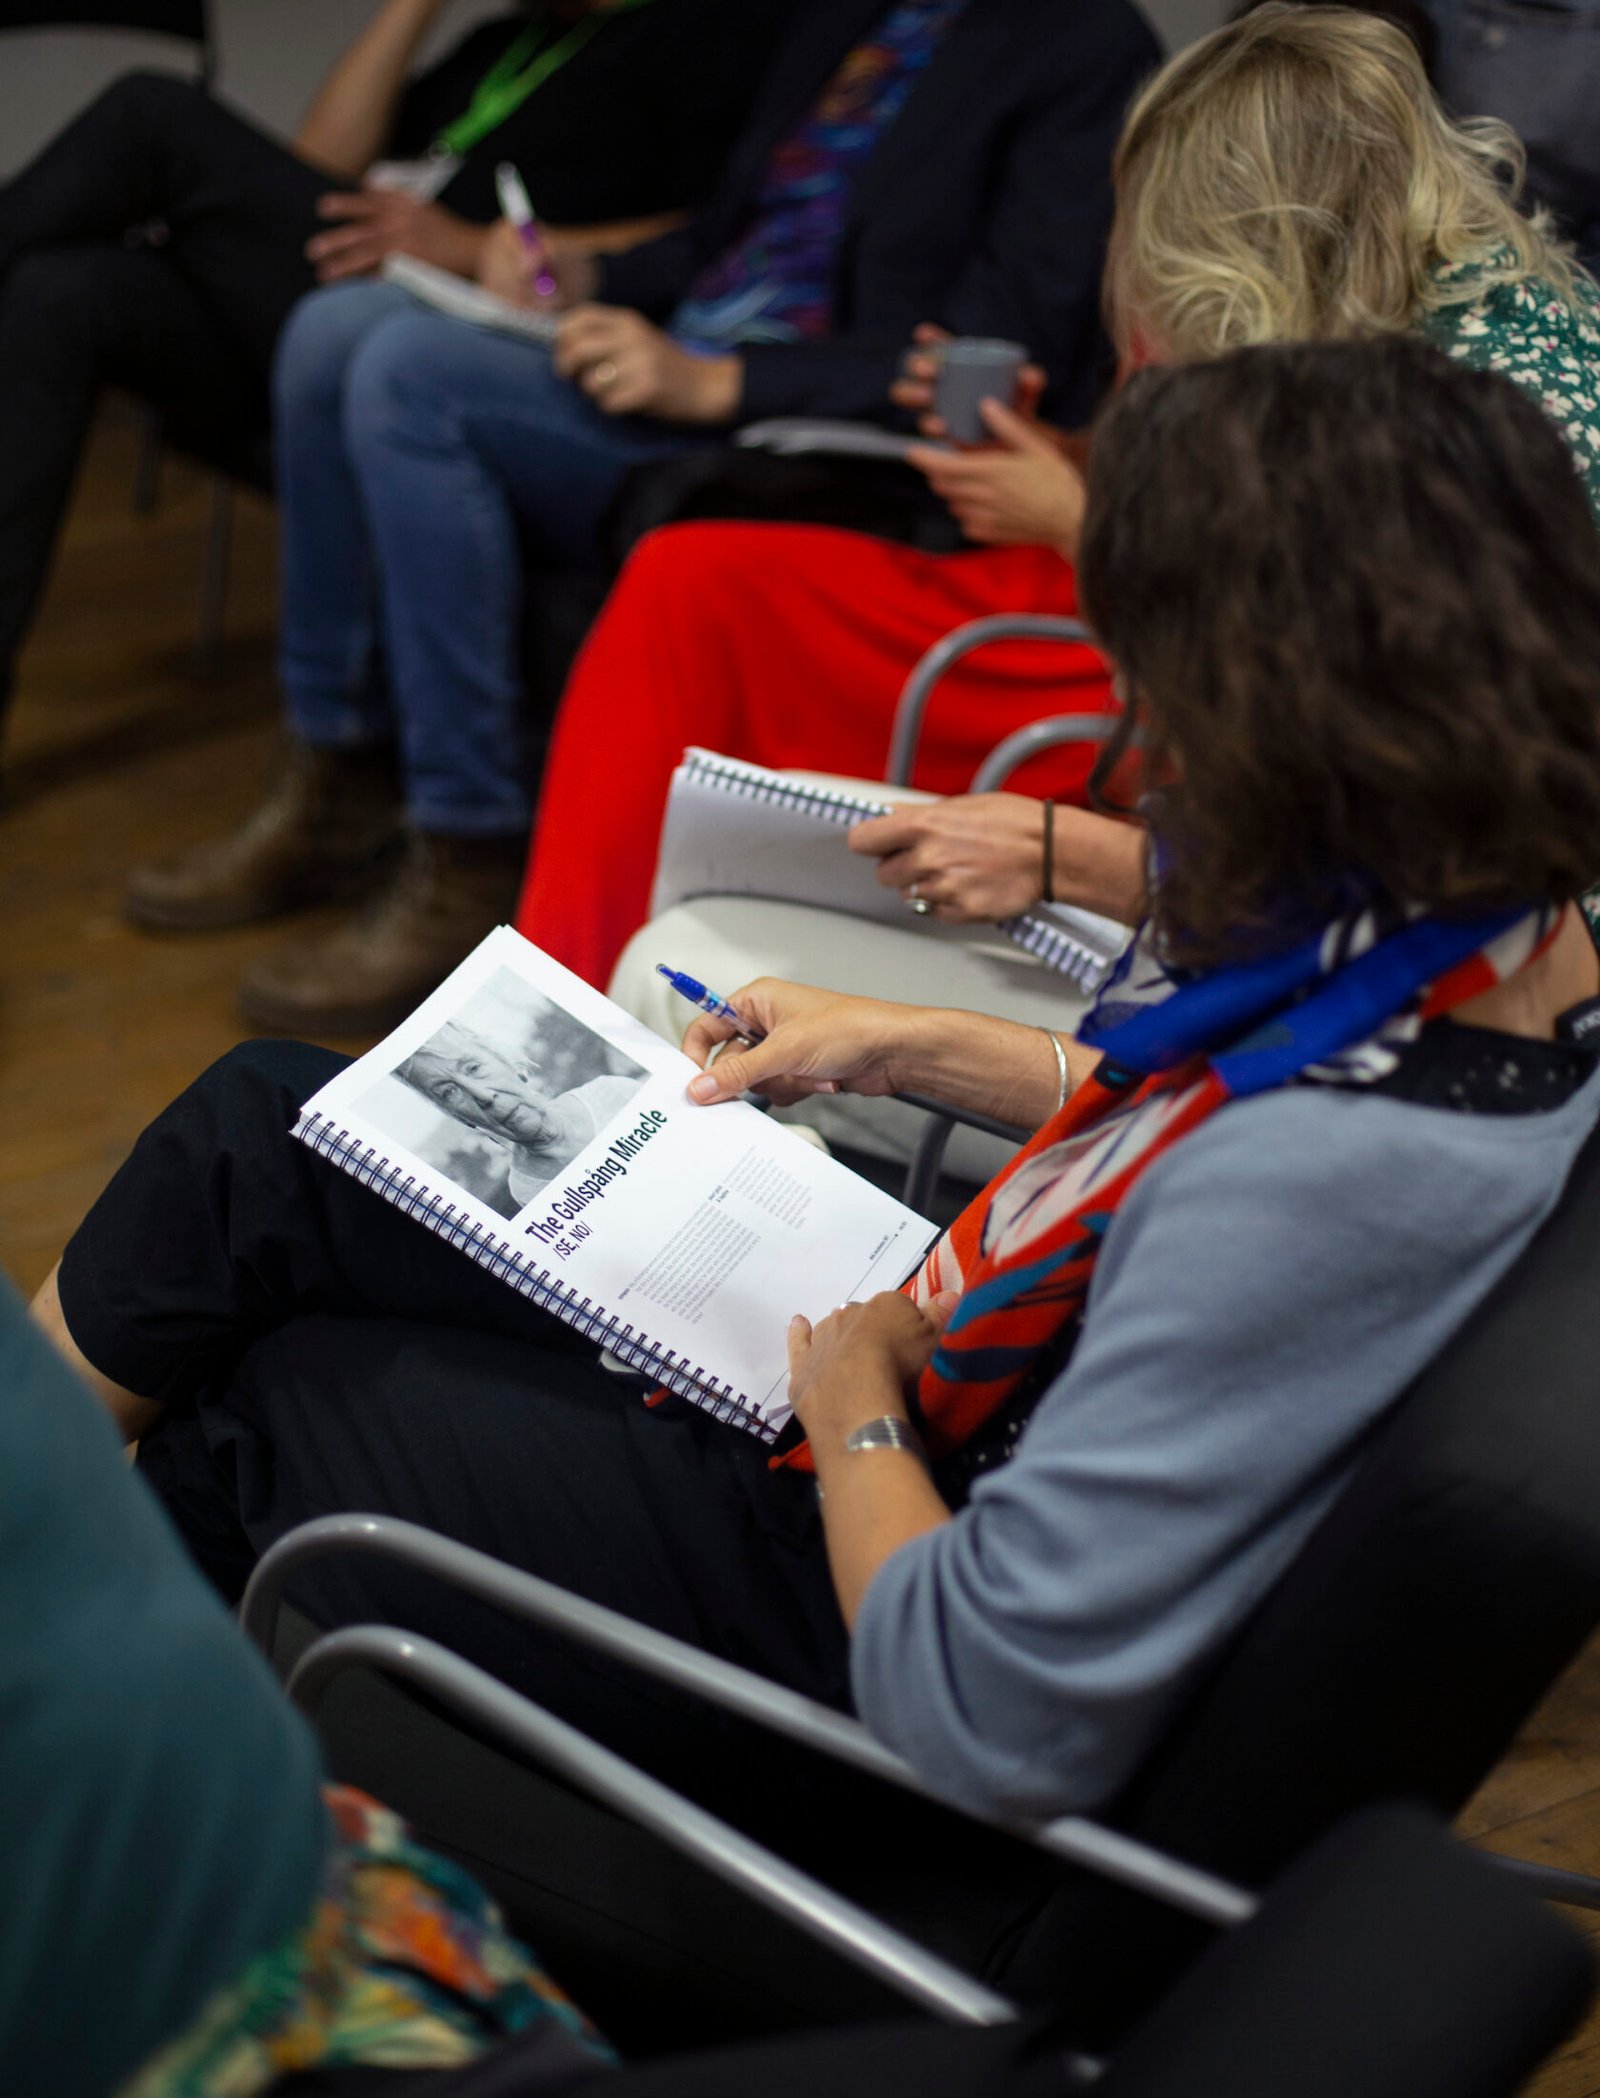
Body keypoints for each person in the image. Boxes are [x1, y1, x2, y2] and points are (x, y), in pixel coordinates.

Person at [37, 339, 1600, 1832]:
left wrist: (855, 1405)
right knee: (276, 1131)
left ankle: (119, 1830)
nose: (1154, 755)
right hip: (941, 1355)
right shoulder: (1503, 941)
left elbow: (980, 1701)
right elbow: (1174, 1138)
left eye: (1166, 697)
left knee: (263, 1406)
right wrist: (892, 1040)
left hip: (860, 1571)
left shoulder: (1317, 1183)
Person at [546, 0, 1600, 1171]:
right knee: (698, 937)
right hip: (1367, 1038)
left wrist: (1072, 865)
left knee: (679, 971)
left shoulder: (1412, 471)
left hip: (1365, 1080)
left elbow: (1375, 948)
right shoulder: (1489, 353)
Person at [123, 0, 1163, 1037]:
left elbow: (998, 342)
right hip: (686, 361)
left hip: (807, 424)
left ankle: (463, 838)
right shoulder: (844, 16)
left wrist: (719, 381)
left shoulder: (1078, 46)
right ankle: (335, 771)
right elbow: (729, 237)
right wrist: (588, 274)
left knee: (408, 374)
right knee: (335, 328)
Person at [0, 0, 782, 742]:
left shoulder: (704, 29)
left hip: (477, 324)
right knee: (61, 293)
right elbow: (323, 163)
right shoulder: (501, 43)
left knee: (152, 115)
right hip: (352, 291)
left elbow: (717, 228)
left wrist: (475, 245)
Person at [0, 1270, 614, 2098]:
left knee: (242, 1370)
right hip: (321, 1936)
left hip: (310, 1964)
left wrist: (859, 1432)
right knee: (245, 1313)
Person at [397, 1017, 643, 1203]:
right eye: (449, 1092)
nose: (483, 1095)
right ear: (456, 1116)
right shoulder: (527, 1190)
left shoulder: (615, 1094)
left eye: (473, 1068)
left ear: (508, 1062)